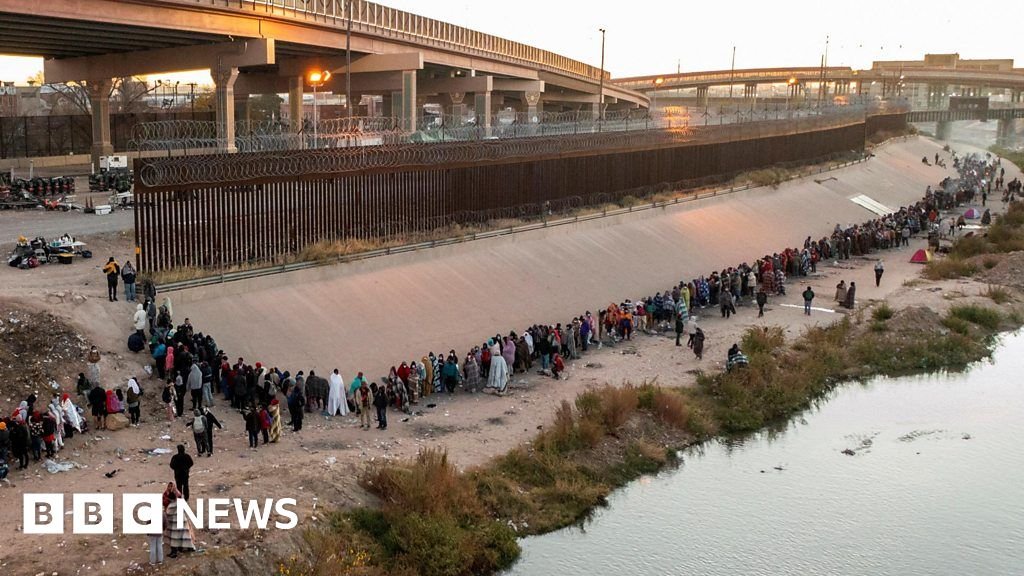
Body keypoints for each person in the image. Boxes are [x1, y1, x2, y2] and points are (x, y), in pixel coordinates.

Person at [163, 483, 196, 558]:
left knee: (174, 539)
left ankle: (174, 552)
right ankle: (188, 547)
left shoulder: (171, 506)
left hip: (174, 526)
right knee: (184, 536)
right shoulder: (180, 502)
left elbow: (168, 514)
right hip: (182, 522)